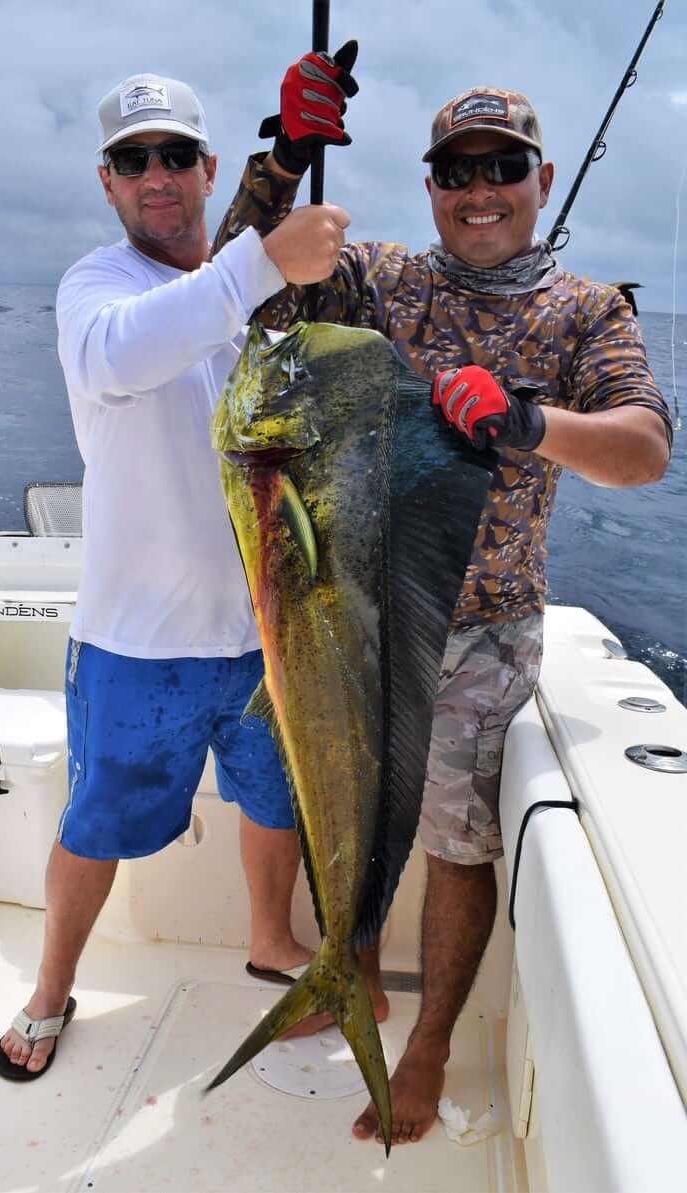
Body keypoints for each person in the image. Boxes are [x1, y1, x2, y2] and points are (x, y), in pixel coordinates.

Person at [212, 47, 673, 1145]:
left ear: (541, 178)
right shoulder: (379, 278)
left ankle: (423, 1045)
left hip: (482, 630)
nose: (479, 191)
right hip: (352, 612)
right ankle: (354, 979)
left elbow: (644, 449)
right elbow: (242, 280)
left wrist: (528, 421)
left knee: (457, 846)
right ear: (429, 186)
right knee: (345, 805)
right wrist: (282, 161)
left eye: (501, 168)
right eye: (456, 171)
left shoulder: (585, 311)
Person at [0, 71, 351, 1081]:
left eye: (175, 154)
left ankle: (271, 938)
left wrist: (286, 176)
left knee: (275, 799)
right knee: (96, 822)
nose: (156, 174)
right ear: (106, 181)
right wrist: (261, 261)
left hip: (264, 631)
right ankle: (50, 988)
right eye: (132, 158)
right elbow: (119, 354)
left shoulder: (254, 297)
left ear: (205, 168)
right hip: (136, 642)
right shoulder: (96, 287)